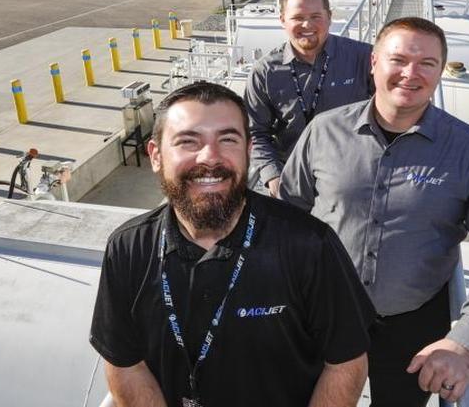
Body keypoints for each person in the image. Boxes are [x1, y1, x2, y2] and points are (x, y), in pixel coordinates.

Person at [280, 17, 469, 407]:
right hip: (321, 316)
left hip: (412, 328)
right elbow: (287, 218)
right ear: (374, 63)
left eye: (427, 64)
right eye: (397, 60)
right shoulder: (323, 132)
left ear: (440, 72)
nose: (410, 74)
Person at [90, 81, 374, 407]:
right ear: (155, 155)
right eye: (188, 141)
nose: (210, 157)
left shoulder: (309, 244)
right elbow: (125, 362)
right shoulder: (127, 248)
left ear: (248, 151)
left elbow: (346, 361)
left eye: (227, 139)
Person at [245, 0, 373, 197]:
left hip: (353, 179)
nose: (307, 25)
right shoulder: (265, 72)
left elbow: (390, 109)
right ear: (283, 20)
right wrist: (273, 177)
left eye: (316, 16)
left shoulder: (363, 57)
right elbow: (256, 132)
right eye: (297, 17)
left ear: (329, 17)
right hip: (292, 182)